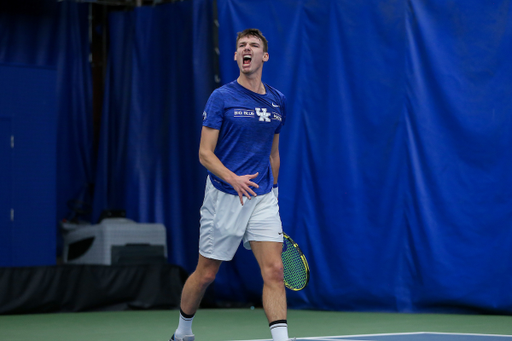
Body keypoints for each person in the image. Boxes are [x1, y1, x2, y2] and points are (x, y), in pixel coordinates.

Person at [170, 28, 293, 341]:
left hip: (263, 197)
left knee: (275, 271)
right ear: (237, 56)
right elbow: (204, 154)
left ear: (264, 56)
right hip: (225, 196)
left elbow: (274, 154)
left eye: (253, 45)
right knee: (206, 274)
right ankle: (183, 333)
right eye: (241, 46)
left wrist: (274, 190)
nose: (246, 49)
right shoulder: (221, 98)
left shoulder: (278, 101)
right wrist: (233, 178)